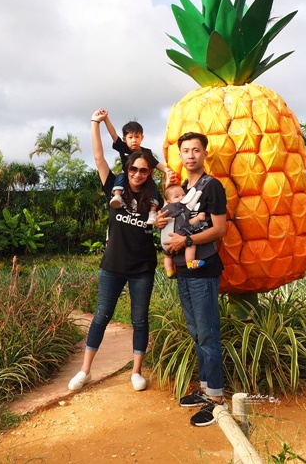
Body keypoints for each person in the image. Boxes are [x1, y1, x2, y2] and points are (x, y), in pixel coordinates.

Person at [68, 108, 162, 393]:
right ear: (127, 169)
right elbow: (98, 157)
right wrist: (94, 123)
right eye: (133, 169)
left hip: (143, 266)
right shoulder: (114, 186)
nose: (137, 174)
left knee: (139, 318)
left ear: (148, 173)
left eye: (143, 170)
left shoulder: (153, 194)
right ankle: (85, 371)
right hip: (113, 265)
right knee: (101, 315)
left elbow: (168, 212)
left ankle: (136, 372)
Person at [157, 131, 228, 427]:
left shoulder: (212, 187)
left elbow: (219, 229)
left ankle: (216, 399)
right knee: (196, 331)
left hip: (204, 268)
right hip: (184, 272)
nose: (190, 155)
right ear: (180, 155)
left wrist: (184, 244)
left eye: (196, 150)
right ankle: (204, 389)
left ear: (204, 154)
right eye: (185, 150)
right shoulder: (181, 189)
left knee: (208, 332)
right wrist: (161, 221)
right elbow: (173, 221)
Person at [102, 115, 172, 224]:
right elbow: (113, 134)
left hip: (144, 179)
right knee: (120, 176)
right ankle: (117, 196)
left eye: (137, 137)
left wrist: (168, 171)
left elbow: (156, 163)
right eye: (130, 137)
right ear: (125, 139)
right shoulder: (123, 147)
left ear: (142, 138)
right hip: (127, 177)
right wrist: (105, 119)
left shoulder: (146, 152)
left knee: (152, 185)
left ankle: (153, 212)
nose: (134, 140)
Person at [159, 183, 207, 278]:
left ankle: (169, 270)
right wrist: (198, 218)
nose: (181, 198)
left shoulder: (164, 210)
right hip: (179, 239)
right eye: (177, 196)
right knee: (191, 243)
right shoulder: (180, 208)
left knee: (167, 256)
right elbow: (187, 223)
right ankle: (190, 262)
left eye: (183, 195)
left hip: (165, 242)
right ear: (169, 202)